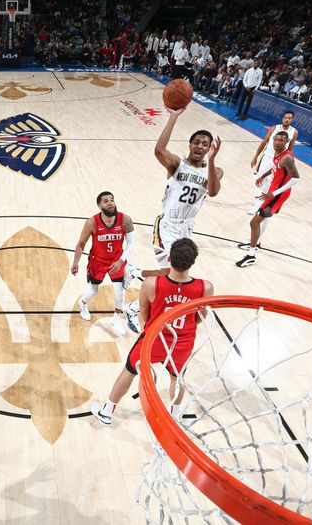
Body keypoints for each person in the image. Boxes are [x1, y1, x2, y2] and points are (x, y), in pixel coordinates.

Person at [92, 238, 212, 426]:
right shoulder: (205, 287)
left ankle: (107, 412)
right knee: (177, 377)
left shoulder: (150, 283)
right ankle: (174, 416)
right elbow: (199, 318)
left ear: (170, 259)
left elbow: (145, 315)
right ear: (193, 261)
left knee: (130, 370)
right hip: (182, 343)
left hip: (155, 338)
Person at [123, 106, 222, 297]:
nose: (200, 146)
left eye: (205, 144)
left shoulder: (215, 171)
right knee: (171, 274)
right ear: (190, 144)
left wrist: (212, 160)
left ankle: (134, 272)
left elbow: (213, 191)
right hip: (167, 225)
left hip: (187, 228)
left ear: (210, 148)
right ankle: (135, 304)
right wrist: (173, 117)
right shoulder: (178, 164)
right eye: (196, 142)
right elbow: (159, 150)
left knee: (172, 273)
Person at [71, 192, 136, 336]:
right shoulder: (92, 222)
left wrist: (120, 261)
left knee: (120, 291)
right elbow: (81, 244)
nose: (110, 203)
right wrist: (76, 262)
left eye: (112, 200)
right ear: (99, 205)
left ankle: (116, 318)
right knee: (93, 290)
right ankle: (82, 303)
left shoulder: (125, 220)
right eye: (106, 201)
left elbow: (131, 243)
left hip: (117, 261)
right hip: (97, 261)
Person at [236, 131, 300, 267]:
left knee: (254, 222)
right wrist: (262, 176)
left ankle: (251, 255)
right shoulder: (277, 153)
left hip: (278, 194)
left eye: (281, 140)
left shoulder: (287, 158)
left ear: (286, 142)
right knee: (264, 218)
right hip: (274, 190)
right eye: (275, 139)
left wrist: (274, 193)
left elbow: (295, 179)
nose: (277, 142)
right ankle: (256, 242)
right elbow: (274, 168)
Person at [246, 111, 298, 216]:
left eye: (289, 118)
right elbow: (264, 142)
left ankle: (257, 206)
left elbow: (291, 149)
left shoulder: (294, 132)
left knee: (268, 184)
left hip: (279, 160)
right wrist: (256, 156)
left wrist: (290, 163)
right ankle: (259, 202)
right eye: (285, 117)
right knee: (258, 180)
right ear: (282, 118)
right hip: (267, 158)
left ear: (292, 120)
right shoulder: (274, 128)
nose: (287, 119)